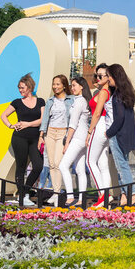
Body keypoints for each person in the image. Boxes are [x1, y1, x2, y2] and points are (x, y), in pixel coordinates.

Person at [1, 73, 45, 206]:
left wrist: (27, 124)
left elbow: (43, 120)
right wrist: (10, 125)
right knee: (21, 167)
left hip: (35, 138)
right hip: (19, 138)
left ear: (30, 87)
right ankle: (22, 196)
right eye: (19, 88)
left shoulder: (41, 101)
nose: (20, 90)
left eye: (22, 87)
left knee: (38, 166)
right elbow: (3, 115)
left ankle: (25, 192)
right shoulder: (17, 102)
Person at [105, 64, 135, 206]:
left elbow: (119, 118)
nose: (108, 79)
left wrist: (109, 132)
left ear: (115, 76)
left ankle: (132, 194)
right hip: (126, 135)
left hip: (117, 135)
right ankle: (125, 195)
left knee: (121, 166)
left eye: (109, 76)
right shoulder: (126, 92)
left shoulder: (117, 95)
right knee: (122, 165)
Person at [38, 75, 74, 204]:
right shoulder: (50, 101)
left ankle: (58, 192)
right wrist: (41, 136)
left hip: (62, 133)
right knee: (51, 164)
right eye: (54, 84)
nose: (55, 87)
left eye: (58, 84)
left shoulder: (71, 100)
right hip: (50, 133)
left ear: (64, 85)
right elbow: (45, 119)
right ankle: (56, 191)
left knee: (58, 163)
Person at [59, 77, 92, 207]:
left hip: (78, 137)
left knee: (63, 166)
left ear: (81, 86)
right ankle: (81, 199)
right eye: (71, 86)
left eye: (74, 85)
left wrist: (67, 142)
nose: (72, 88)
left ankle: (70, 197)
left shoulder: (79, 101)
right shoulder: (80, 100)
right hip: (82, 137)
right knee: (79, 169)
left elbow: (73, 124)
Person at [85, 63, 113, 208]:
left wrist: (89, 132)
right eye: (97, 75)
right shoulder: (106, 91)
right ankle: (105, 196)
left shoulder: (103, 93)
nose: (97, 78)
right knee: (102, 164)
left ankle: (103, 195)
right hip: (105, 127)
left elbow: (97, 113)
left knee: (90, 162)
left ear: (108, 78)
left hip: (99, 125)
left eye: (101, 75)